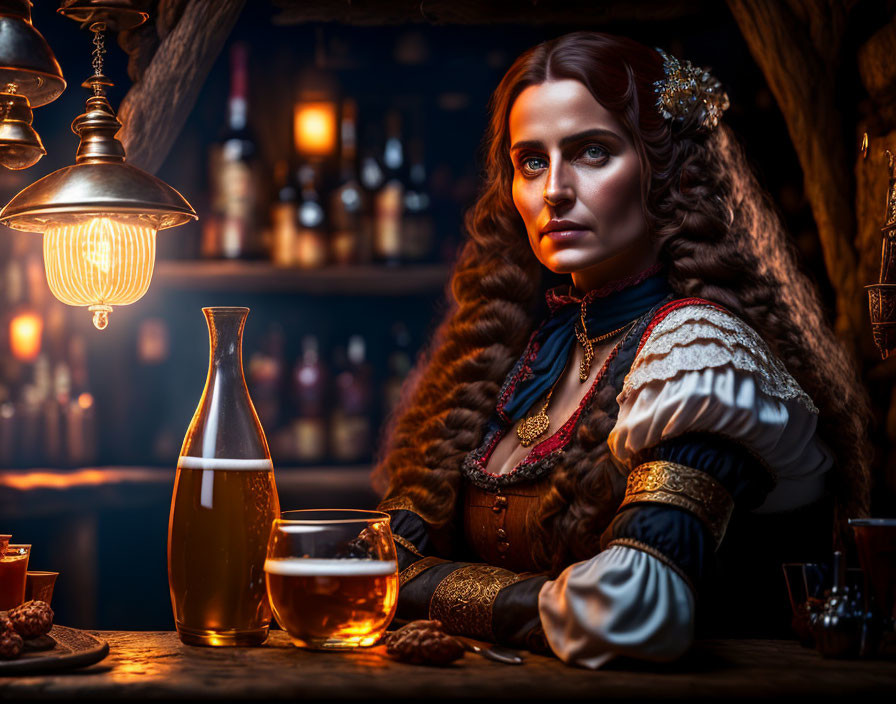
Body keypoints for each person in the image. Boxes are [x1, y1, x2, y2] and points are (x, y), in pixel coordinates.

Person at [372, 31, 871, 668]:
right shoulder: (526, 349)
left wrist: (418, 588)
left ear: (664, 171)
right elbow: (377, 558)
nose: (554, 189)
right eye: (531, 162)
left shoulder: (703, 354)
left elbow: (629, 610)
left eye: (592, 152)